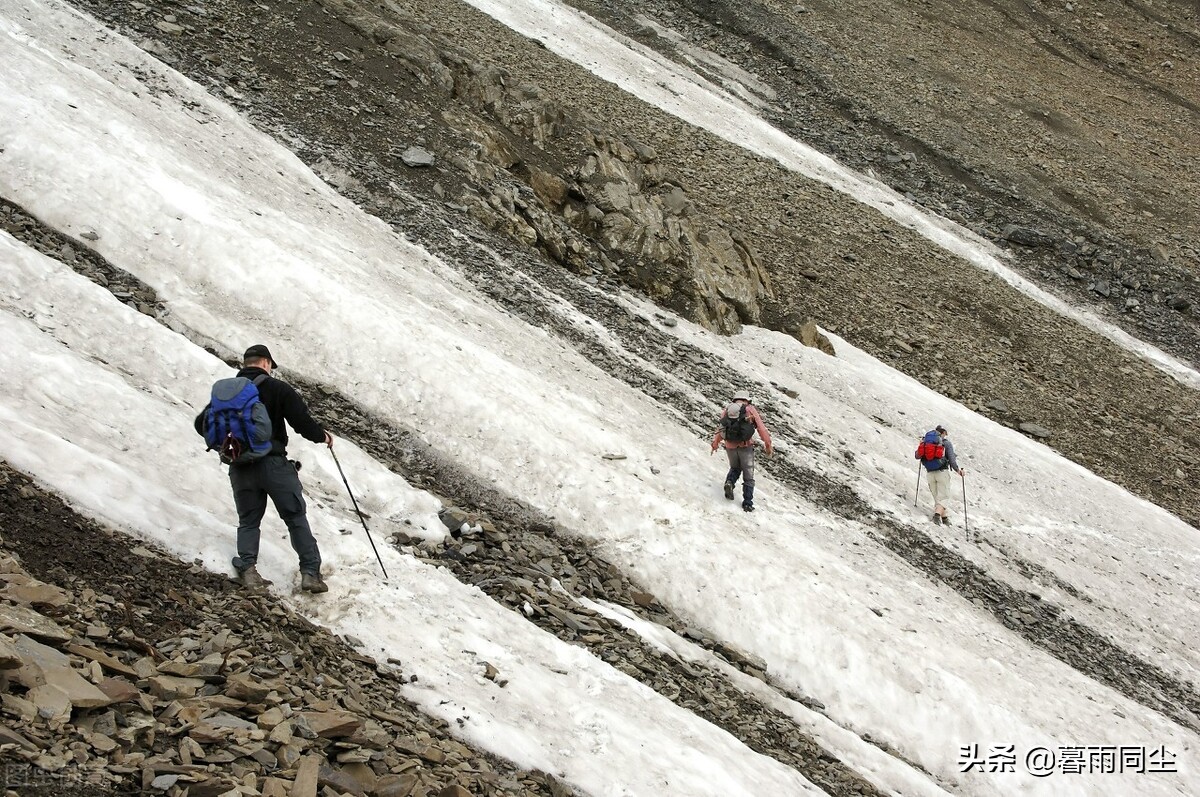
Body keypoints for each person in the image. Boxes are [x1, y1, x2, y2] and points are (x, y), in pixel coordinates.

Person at [195, 345, 331, 592]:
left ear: (245, 363)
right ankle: (310, 574)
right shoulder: (278, 389)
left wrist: (229, 444)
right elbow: (302, 423)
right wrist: (323, 437)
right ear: (267, 363)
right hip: (274, 464)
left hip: (240, 467)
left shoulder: (227, 393)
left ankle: (248, 570)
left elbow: (199, 424)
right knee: (294, 517)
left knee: (248, 521)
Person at [711, 392, 773, 512]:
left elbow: (721, 428)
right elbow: (761, 428)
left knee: (735, 468)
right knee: (748, 476)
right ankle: (747, 503)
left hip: (730, 446)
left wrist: (715, 444)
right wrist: (768, 444)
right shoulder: (750, 409)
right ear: (747, 400)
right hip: (746, 446)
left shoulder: (727, 409)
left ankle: (730, 482)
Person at [921, 424, 964, 525]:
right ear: (943, 433)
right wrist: (958, 470)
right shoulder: (946, 443)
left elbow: (917, 455)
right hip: (942, 473)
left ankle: (944, 518)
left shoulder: (926, 442)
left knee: (937, 497)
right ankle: (936, 516)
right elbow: (952, 460)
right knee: (944, 497)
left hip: (930, 473)